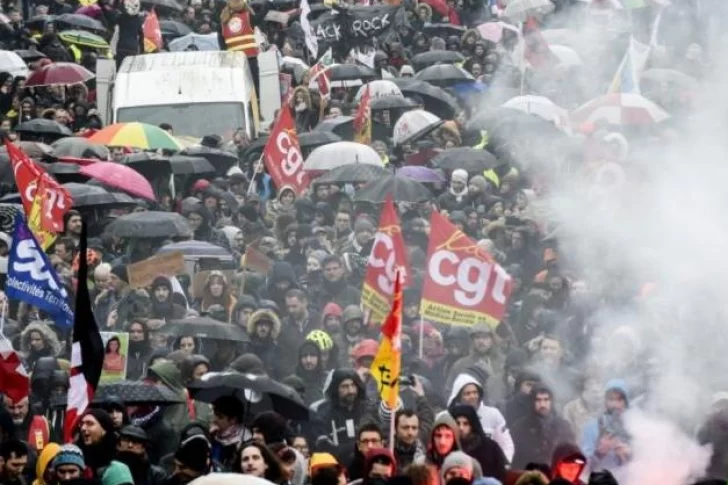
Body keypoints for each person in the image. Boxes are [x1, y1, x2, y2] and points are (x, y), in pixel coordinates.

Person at [448, 372, 514, 463]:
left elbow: (506, 444)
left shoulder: (493, 414)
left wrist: (504, 464)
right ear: (458, 397)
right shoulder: (448, 417)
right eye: (467, 394)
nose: (472, 396)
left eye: (475, 392)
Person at [510, 384, 575, 469]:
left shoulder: (563, 426)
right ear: (532, 402)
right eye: (538, 400)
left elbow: (571, 453)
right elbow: (514, 457)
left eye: (546, 400)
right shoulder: (519, 427)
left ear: (551, 401)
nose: (542, 404)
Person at [314, 369, 371, 457]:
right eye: (345, 386)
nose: (351, 391)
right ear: (335, 389)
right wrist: (358, 446)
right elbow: (325, 448)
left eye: (353, 385)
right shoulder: (324, 414)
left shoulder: (367, 410)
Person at [581, 380, 632, 473]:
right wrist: (600, 453)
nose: (615, 404)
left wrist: (630, 455)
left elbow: (650, 463)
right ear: (605, 401)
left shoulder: (636, 426)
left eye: (619, 399)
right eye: (611, 399)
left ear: (626, 402)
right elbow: (583, 469)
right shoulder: (592, 427)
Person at [449, 404, 507, 482]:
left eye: (466, 424)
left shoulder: (490, 448)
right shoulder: (448, 447)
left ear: (472, 425)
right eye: (457, 423)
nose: (461, 428)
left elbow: (500, 477)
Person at [75, 409, 134, 485]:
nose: (83, 428)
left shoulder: (118, 468)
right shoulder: (77, 461)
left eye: (90, 423)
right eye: (82, 424)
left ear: (104, 429)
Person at [210, 396, 247, 470]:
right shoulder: (214, 434)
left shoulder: (244, 438)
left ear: (233, 420)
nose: (215, 420)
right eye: (214, 415)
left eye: (220, 417)